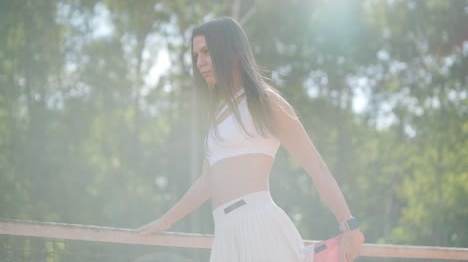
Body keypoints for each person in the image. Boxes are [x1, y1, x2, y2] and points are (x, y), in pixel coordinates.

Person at [138, 17, 364, 262]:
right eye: (196, 55)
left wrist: (349, 226)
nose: (200, 62)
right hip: (225, 233)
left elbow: (317, 167)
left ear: (232, 51)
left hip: (260, 227)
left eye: (206, 52)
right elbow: (206, 183)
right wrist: (165, 220)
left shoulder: (265, 101)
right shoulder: (218, 115)